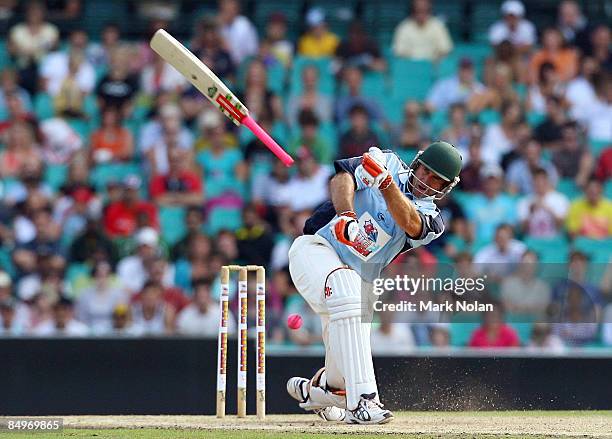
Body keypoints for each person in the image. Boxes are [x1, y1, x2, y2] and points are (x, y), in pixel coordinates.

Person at [286, 141, 462, 423]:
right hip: (315, 250)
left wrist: (385, 183)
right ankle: (364, 402)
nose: (426, 182)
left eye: (436, 181)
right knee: (346, 286)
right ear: (416, 163)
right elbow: (342, 177)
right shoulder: (388, 161)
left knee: (342, 377)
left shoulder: (434, 220)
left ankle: (319, 390)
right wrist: (346, 214)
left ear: (445, 188)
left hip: (356, 286)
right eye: (426, 172)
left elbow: (411, 223)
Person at [517, 168, 569, 238]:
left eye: (542, 180)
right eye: (536, 181)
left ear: (547, 181)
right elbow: (523, 230)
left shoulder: (560, 199)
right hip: (533, 241)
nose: (539, 184)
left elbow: (561, 227)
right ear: (532, 182)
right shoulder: (525, 201)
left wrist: (549, 210)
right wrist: (530, 213)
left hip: (554, 241)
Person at [218, 0, 258, 65]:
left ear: (236, 9)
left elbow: (251, 53)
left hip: (244, 65)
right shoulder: (220, 24)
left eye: (230, 8)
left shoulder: (244, 24)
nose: (228, 11)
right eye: (225, 9)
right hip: (225, 64)